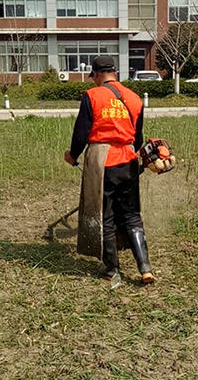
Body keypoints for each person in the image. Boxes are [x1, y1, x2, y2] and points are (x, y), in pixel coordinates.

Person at [64, 55, 154, 284]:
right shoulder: (134, 98)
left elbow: (81, 133)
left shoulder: (92, 96)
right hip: (129, 160)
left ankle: (111, 268)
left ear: (96, 74)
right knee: (132, 215)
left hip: (104, 162)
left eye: (93, 76)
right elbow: (138, 138)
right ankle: (145, 267)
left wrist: (72, 155)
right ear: (115, 72)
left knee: (106, 215)